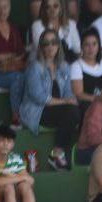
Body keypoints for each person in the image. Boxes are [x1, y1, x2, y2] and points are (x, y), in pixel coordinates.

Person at [20, 30, 78, 170]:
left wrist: (71, 100)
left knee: (76, 110)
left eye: (54, 42)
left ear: (59, 45)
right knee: (72, 111)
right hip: (37, 112)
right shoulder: (35, 67)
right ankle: (57, 154)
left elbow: (68, 93)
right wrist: (66, 102)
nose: (50, 46)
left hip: (57, 110)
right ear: (41, 47)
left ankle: (65, 154)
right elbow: (39, 97)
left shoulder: (64, 66)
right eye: (46, 43)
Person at [71, 27, 102, 107]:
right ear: (81, 47)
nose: (91, 48)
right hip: (87, 106)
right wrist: (100, 99)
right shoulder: (76, 66)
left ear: (99, 46)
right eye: (87, 45)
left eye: (94, 44)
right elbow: (78, 94)